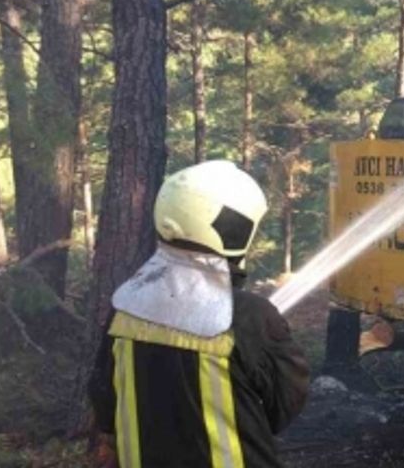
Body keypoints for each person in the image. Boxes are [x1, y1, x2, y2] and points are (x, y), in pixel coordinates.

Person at [90, 160, 310, 468]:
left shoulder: (127, 304)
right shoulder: (249, 316)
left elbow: (104, 397)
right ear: (235, 229)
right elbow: (284, 405)